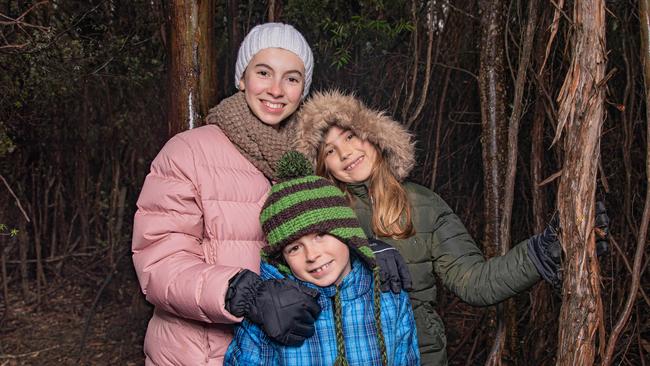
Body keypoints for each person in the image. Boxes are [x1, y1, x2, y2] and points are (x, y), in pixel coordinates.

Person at [131, 24, 410, 365]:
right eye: (264, 72)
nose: (276, 90)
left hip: (293, 352)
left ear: (303, 89)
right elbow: (158, 263)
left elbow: (325, 235)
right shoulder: (189, 152)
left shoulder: (308, 159)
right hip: (202, 354)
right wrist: (241, 293)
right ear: (242, 77)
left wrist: (365, 252)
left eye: (292, 78)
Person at [294, 90, 610, 365]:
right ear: (324, 167)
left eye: (349, 136)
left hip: (421, 355)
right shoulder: (320, 217)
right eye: (330, 151)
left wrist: (542, 251)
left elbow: (476, 282)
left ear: (373, 133)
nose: (345, 153)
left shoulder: (424, 206)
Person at [224, 151, 420, 366]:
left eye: (321, 235)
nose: (312, 255)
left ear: (346, 231)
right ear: (282, 259)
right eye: (295, 247)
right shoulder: (270, 314)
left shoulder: (389, 297)